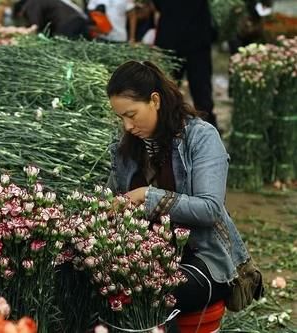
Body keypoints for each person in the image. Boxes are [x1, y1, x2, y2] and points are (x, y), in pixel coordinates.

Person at [105, 61, 261, 330]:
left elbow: (209, 209)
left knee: (154, 292)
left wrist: (148, 196)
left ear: (155, 100)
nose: (128, 126)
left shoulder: (200, 137)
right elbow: (111, 199)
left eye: (132, 114)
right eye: (121, 118)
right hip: (145, 255)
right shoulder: (126, 149)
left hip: (202, 256)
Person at [152, 0, 217, 128]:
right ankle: (207, 129)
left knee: (168, 89)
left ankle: (165, 128)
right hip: (195, 36)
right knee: (199, 90)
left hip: (175, 36)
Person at [19, 0, 89, 39]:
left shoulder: (31, 5)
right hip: (80, 20)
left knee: (66, 48)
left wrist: (24, 34)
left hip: (69, 22)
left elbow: (35, 27)